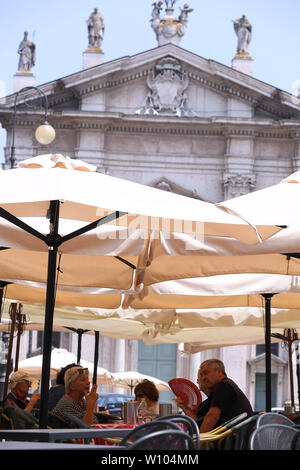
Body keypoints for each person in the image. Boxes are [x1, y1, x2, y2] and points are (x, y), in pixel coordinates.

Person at [197, 359, 253, 432]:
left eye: (206, 373)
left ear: (219, 372)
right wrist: (185, 408)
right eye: (201, 375)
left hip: (229, 439)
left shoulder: (224, 386)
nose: (203, 378)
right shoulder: (224, 386)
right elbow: (198, 419)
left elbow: (212, 417)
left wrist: (199, 440)